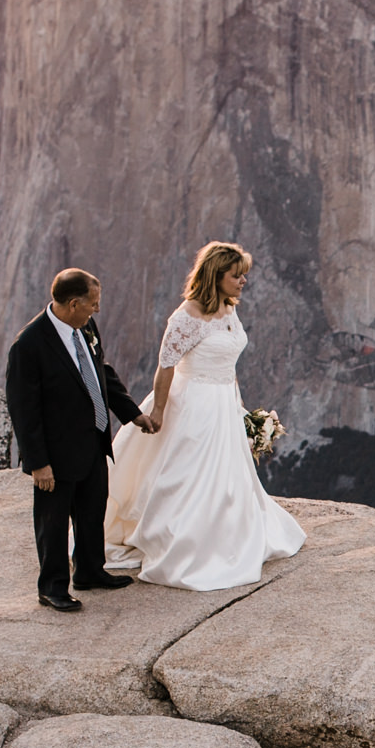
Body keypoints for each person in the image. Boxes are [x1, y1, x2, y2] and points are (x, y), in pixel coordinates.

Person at [104, 240, 305, 590]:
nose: (243, 282)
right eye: (236, 275)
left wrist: (241, 408)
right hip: (192, 403)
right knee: (187, 473)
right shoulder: (186, 317)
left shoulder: (229, 308)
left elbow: (229, 363)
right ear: (216, 274)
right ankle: (182, 539)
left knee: (227, 474)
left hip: (224, 400)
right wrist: (161, 411)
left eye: (243, 275)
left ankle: (225, 532)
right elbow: (165, 367)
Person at [5, 267, 156, 612]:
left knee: (92, 511)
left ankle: (90, 571)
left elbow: (102, 372)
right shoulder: (29, 345)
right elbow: (23, 410)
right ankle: (53, 587)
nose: (97, 310)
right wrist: (38, 463)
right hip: (55, 454)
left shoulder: (84, 327)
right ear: (73, 303)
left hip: (92, 441)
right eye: (93, 304)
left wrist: (132, 414)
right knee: (53, 522)